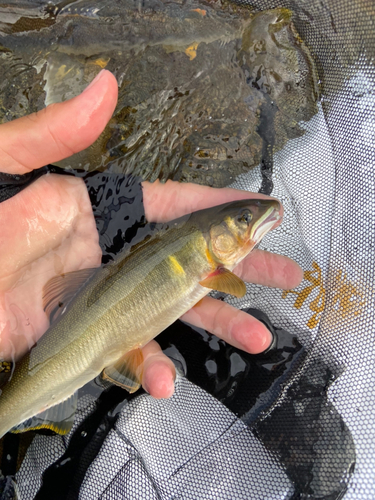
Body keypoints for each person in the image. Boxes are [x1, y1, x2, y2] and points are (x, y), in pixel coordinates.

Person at [0, 69, 302, 399]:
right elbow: (235, 287)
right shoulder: (211, 264)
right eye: (244, 219)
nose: (249, 224)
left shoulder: (206, 255)